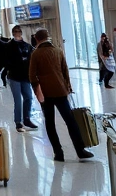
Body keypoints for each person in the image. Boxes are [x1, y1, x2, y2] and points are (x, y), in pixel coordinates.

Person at [29, 30, 94, 162]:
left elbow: (32, 76)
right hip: (60, 91)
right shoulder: (58, 51)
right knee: (70, 121)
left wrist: (37, 91)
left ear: (36, 38)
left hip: (45, 94)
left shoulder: (36, 54)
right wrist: (68, 87)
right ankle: (80, 150)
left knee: (50, 123)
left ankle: (58, 153)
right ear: (48, 37)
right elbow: (65, 71)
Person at [3, 25, 39, 133]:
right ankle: (18, 122)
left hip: (25, 76)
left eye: (18, 31)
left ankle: (27, 118)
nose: (17, 33)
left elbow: (32, 57)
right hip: (14, 76)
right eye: (15, 32)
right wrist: (11, 67)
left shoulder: (27, 46)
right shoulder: (9, 46)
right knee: (18, 100)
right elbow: (6, 60)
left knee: (28, 97)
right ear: (13, 33)